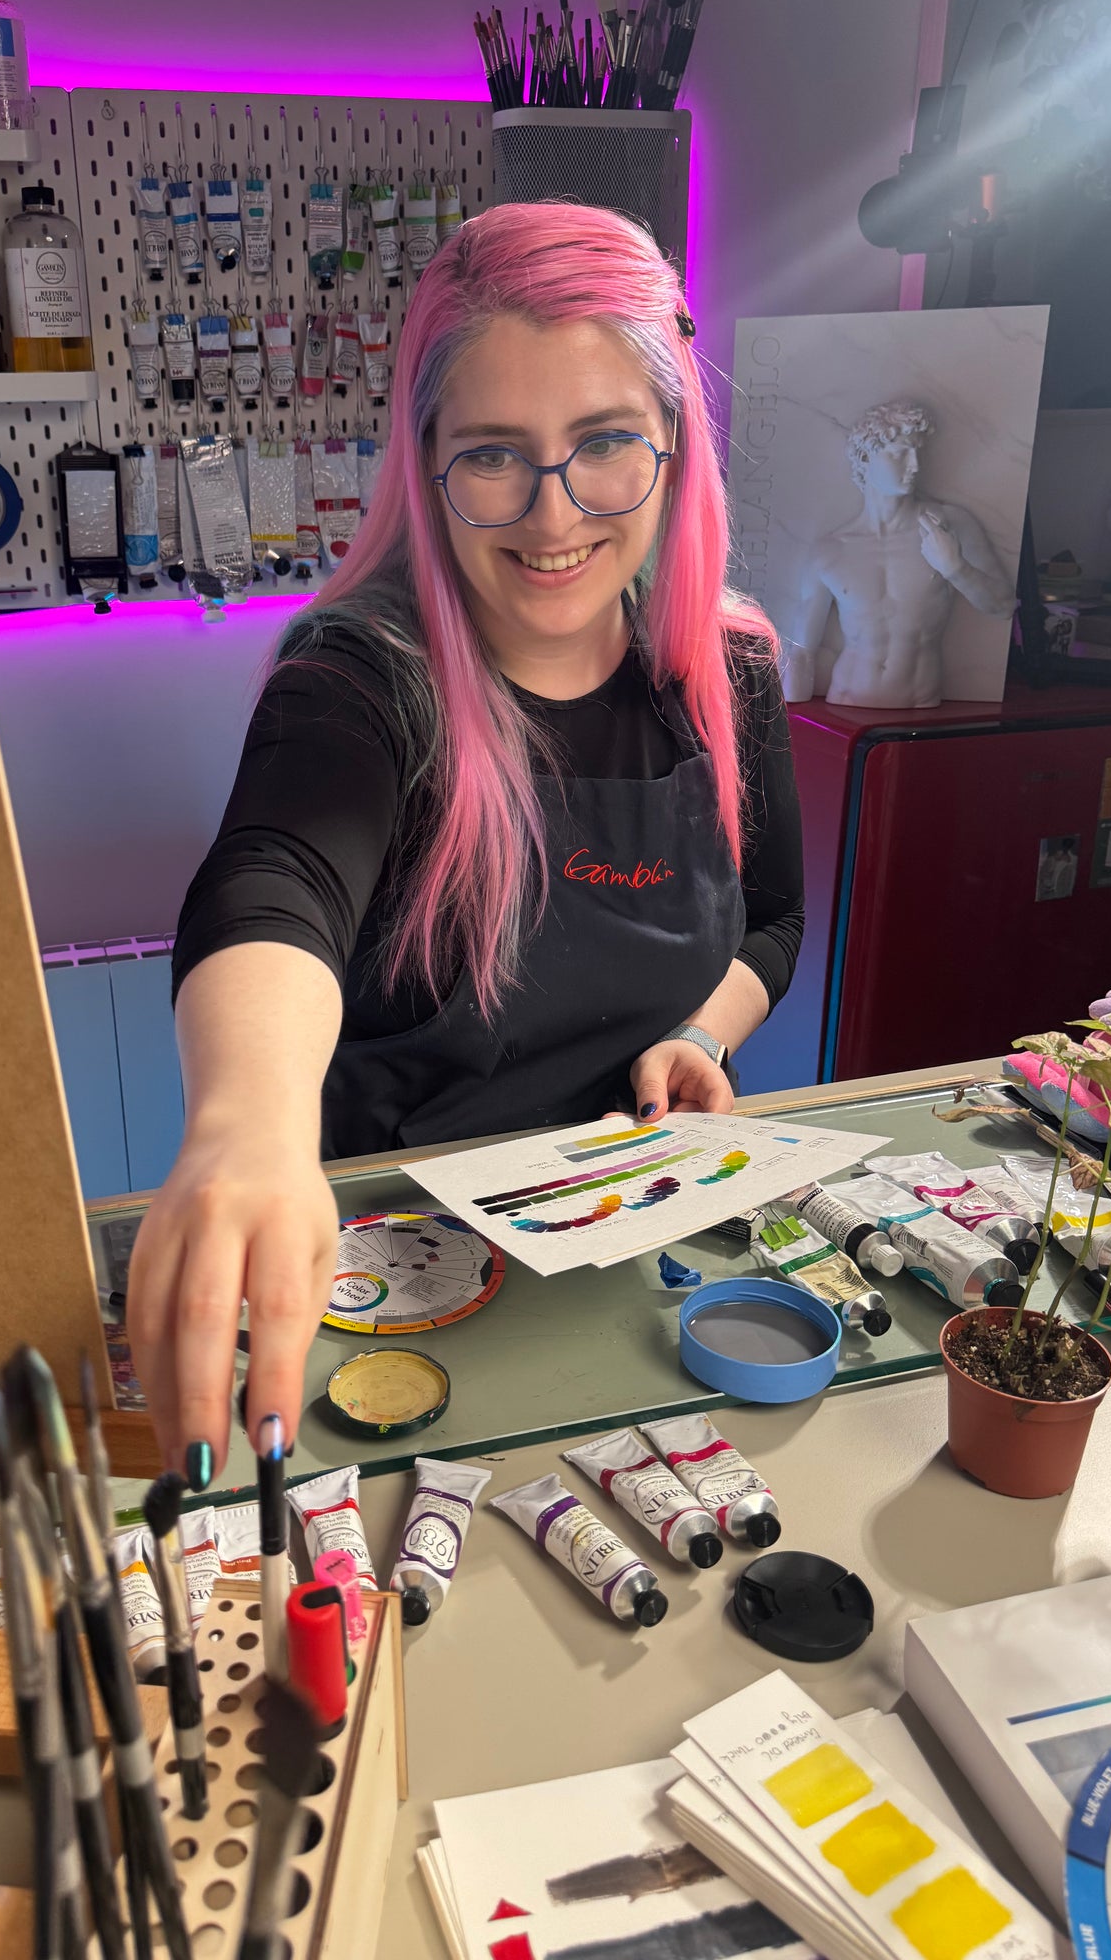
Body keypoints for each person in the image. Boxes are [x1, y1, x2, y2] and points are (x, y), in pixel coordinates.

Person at [128, 204, 805, 1484]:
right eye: (495, 454)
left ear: (673, 442)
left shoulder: (732, 671)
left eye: (605, 443)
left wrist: (702, 1032)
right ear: (426, 456)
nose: (553, 515)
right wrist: (246, 1124)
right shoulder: (360, 680)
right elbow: (277, 878)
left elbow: (773, 917)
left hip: (637, 1260)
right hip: (396, 1283)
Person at [782, 400, 1015, 709]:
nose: (915, 465)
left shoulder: (950, 526)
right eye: (899, 454)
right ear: (865, 458)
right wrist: (789, 733)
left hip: (919, 707)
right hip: (845, 702)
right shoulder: (832, 549)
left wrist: (956, 569)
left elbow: (1003, 607)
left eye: (918, 452)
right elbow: (802, 651)